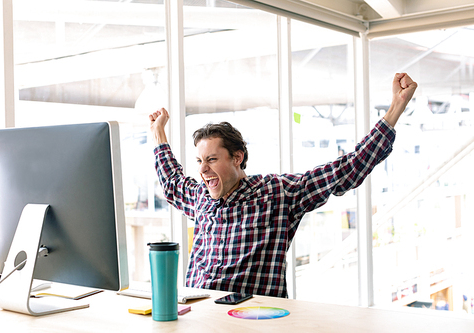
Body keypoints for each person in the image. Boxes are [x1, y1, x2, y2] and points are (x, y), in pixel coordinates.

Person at [149, 73, 418, 298]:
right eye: (198, 160)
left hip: (253, 319)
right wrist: (158, 132)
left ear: (237, 158)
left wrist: (395, 108)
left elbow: (347, 169)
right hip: (199, 316)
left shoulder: (278, 193)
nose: (202, 169)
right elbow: (172, 181)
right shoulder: (200, 197)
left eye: (211, 159)